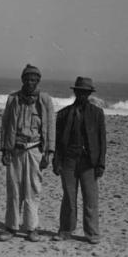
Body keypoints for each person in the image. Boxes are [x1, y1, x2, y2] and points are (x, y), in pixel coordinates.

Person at [0, 64, 55, 242]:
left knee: (33, 190)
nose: (30, 82)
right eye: (27, 79)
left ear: (38, 81)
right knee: (14, 190)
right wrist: (5, 150)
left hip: (35, 150)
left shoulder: (45, 100)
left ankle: (31, 228)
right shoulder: (13, 99)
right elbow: (5, 125)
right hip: (15, 149)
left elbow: (51, 127)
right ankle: (11, 227)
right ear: (22, 80)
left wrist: (48, 152)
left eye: (33, 79)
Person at [52, 76, 106, 244]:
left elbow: (102, 141)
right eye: (80, 92)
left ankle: (92, 233)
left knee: (90, 198)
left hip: (89, 162)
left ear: (89, 94)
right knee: (69, 197)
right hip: (68, 161)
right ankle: (65, 230)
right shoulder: (63, 114)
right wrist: (56, 161)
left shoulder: (97, 113)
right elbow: (58, 141)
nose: (82, 95)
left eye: (85, 92)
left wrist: (101, 164)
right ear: (75, 92)